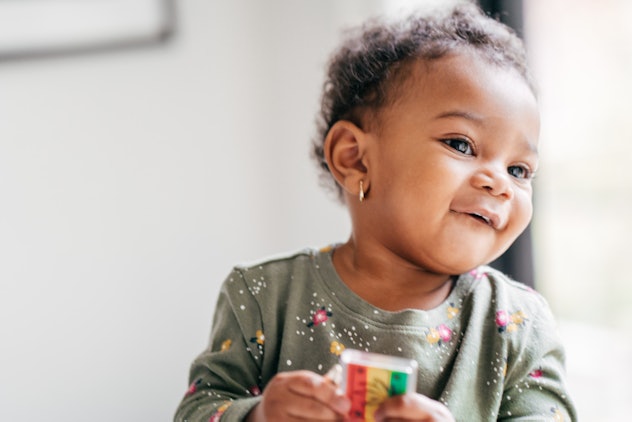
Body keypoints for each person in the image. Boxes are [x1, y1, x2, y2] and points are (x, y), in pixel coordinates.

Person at [175, 2, 577, 421]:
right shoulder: (262, 298)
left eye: (519, 169)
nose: (498, 182)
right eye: (461, 144)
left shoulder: (518, 324)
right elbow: (198, 410)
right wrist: (258, 416)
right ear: (356, 160)